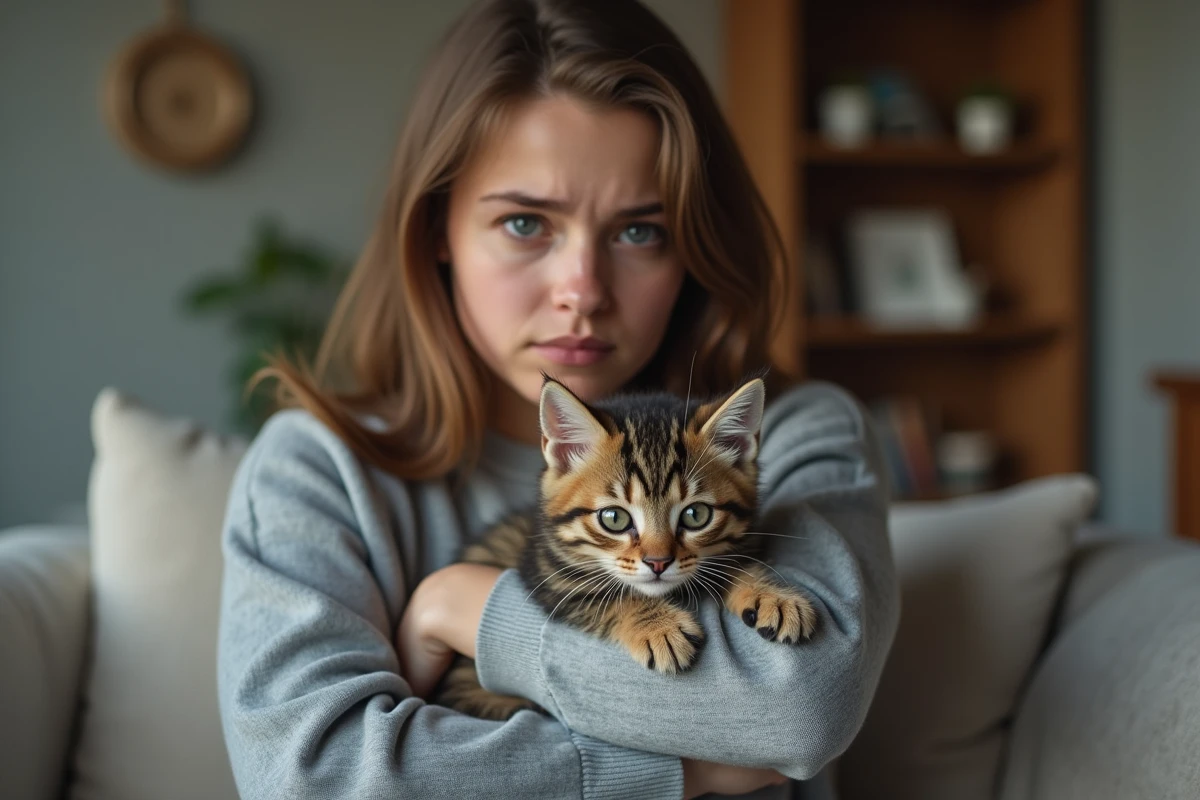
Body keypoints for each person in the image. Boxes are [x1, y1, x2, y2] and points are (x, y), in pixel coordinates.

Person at [215, 1, 899, 798]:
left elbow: (804, 706)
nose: (583, 291)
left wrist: (465, 606)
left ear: (692, 246)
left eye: (639, 231)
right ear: (437, 228)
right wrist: (685, 769)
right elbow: (315, 780)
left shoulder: (793, 431)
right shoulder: (317, 468)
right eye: (525, 223)